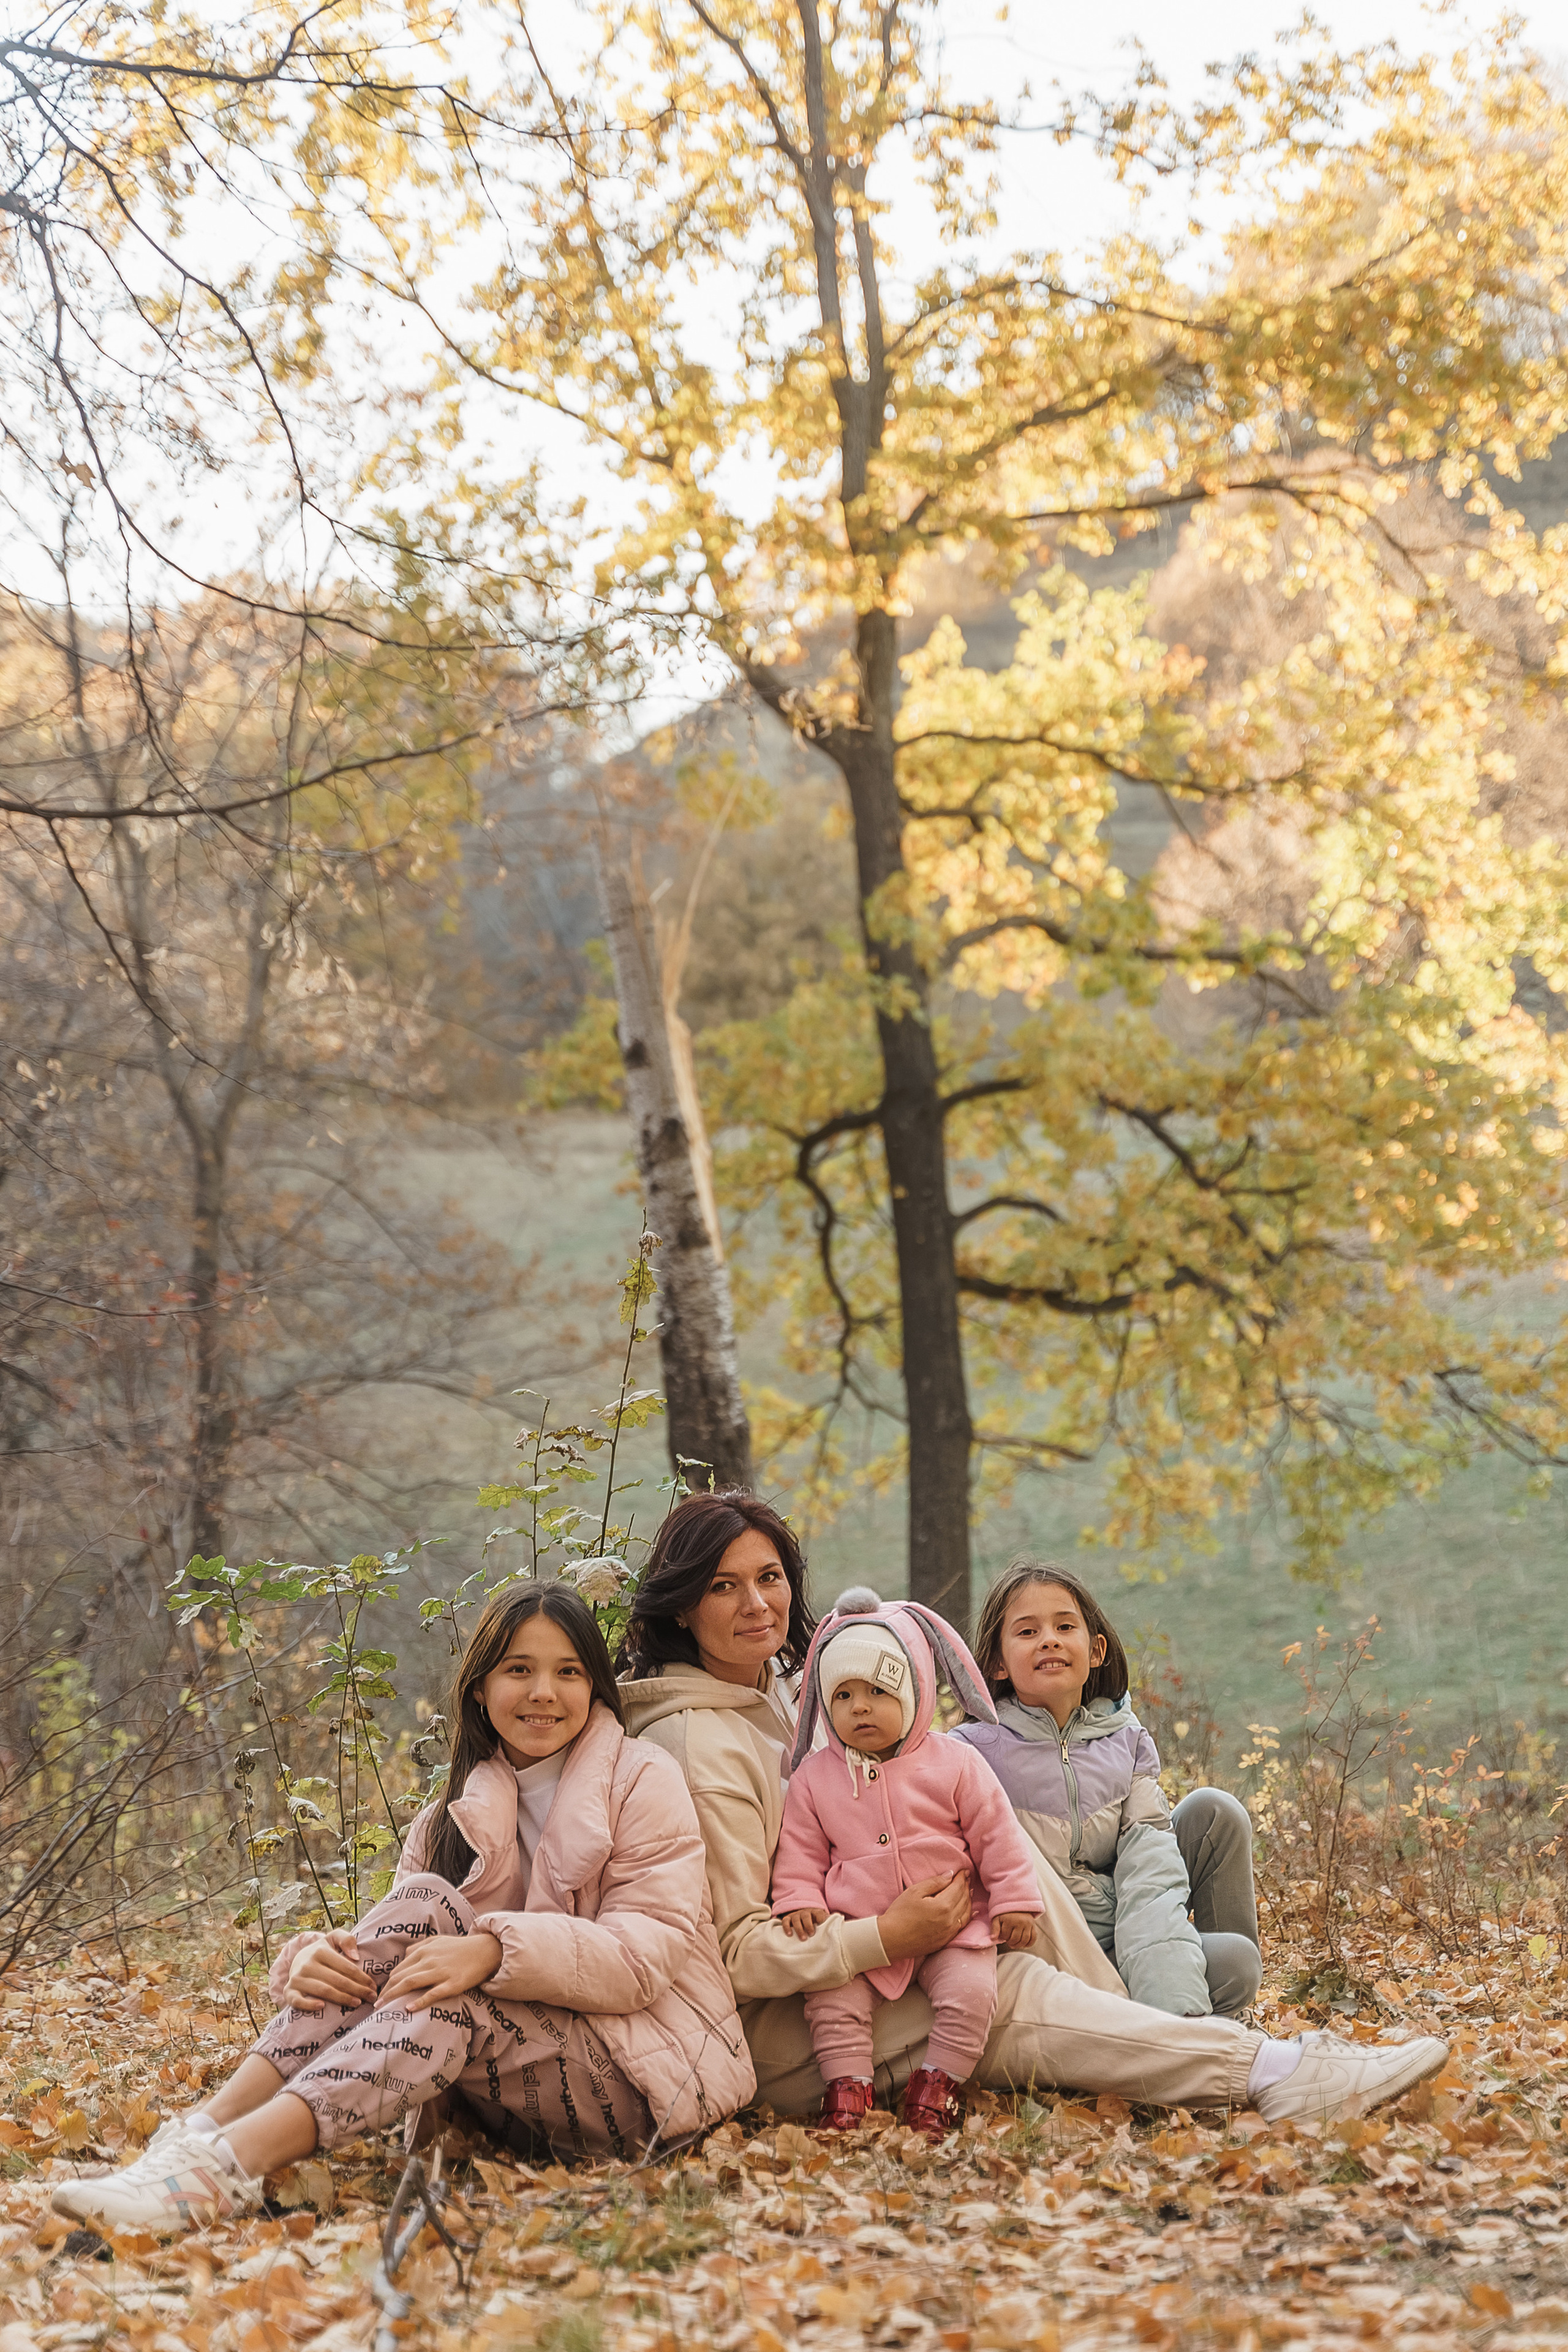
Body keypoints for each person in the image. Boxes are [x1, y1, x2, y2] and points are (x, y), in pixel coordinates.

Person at [620, 1490, 1449, 2128]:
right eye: (724, 1587)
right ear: (684, 1605)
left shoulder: (779, 1698)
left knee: (991, 1864)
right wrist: (887, 1934)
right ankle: (1275, 2074)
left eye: (769, 1578)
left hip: (866, 1966)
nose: (757, 1604)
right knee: (1007, 1987)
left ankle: (1194, 2039)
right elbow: (734, 1957)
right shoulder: (698, 1745)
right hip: (788, 2029)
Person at [54, 1581, 753, 2235]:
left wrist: (492, 1950)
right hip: (502, 2094)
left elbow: (641, 1956)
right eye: (519, 1670)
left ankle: (221, 2168)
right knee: (422, 1906)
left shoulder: (641, 1779)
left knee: (455, 1999)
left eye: (568, 1672)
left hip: (643, 2088)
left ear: (595, 1688)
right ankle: (199, 2137)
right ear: (479, 1689)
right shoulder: (447, 1817)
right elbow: (389, 1953)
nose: (543, 1692)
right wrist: (311, 1962)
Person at [772, 1589, 1043, 2137]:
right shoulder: (814, 1778)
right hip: (860, 1928)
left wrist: (1015, 1901)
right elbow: (799, 1849)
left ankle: (937, 2084)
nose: (861, 1707)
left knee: (972, 1995)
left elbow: (997, 1835)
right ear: (825, 1707)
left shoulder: (955, 1762)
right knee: (830, 1999)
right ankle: (847, 2087)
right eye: (843, 1696)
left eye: (877, 1690)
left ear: (915, 1690)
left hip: (954, 1926)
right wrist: (799, 1898)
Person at [954, 1561, 1262, 2018]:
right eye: (1026, 1632)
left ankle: (1220, 2027)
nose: (1049, 1640)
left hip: (1130, 1931)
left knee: (1215, 1816)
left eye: (1064, 1626)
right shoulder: (970, 1754)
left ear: (1095, 1650)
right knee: (1228, 1967)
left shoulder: (1126, 1739)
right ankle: (1178, 2032)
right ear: (997, 1663)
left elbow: (1150, 1872)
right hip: (1051, 1949)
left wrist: (1170, 1993)